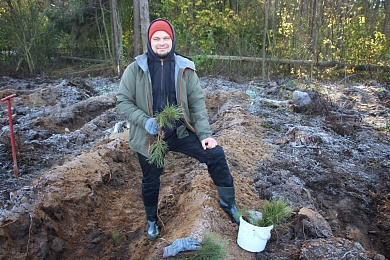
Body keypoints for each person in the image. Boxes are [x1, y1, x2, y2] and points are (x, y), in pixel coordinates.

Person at [116, 18, 239, 241]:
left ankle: (229, 204)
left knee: (216, 155)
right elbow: (123, 101)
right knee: (151, 178)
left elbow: (197, 103)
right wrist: (145, 121)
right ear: (149, 41)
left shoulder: (185, 68)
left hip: (180, 132)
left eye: (166, 38)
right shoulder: (135, 70)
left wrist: (205, 135)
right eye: (156, 38)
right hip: (150, 136)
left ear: (172, 40)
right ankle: (152, 220)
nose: (161, 43)